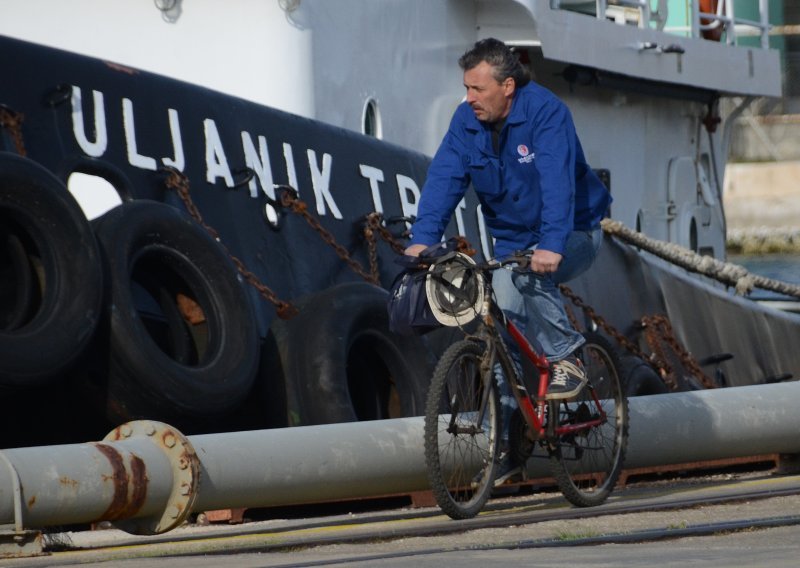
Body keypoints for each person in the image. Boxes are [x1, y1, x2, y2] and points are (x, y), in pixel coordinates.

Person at [404, 38, 612, 484]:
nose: (469, 98)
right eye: (466, 88)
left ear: (508, 86)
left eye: (478, 89)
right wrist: (423, 240)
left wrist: (552, 244)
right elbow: (444, 179)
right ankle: (510, 441)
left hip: (572, 231)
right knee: (495, 331)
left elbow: (558, 184)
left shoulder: (547, 113)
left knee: (527, 279)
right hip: (513, 242)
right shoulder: (467, 121)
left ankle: (569, 359)